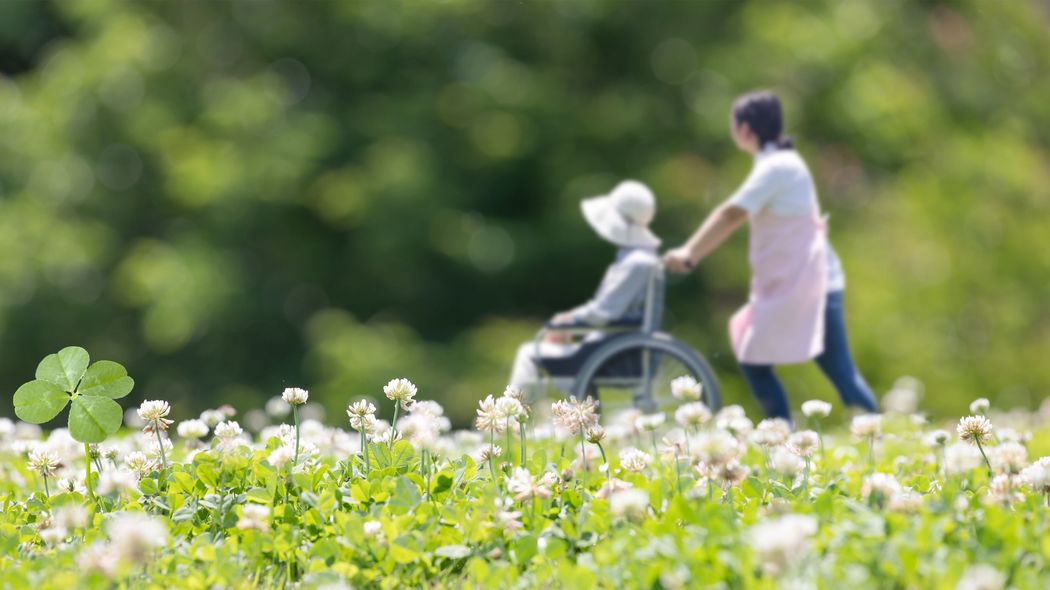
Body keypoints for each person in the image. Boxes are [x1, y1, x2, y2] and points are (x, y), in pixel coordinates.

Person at [663, 90, 878, 422]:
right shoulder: (778, 164)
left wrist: (689, 253)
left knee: (835, 372)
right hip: (800, 283)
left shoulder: (777, 168)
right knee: (762, 359)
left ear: (745, 129)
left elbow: (730, 214)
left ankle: (866, 433)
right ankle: (783, 434)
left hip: (812, 284)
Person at [509, 180, 662, 401]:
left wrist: (567, 321)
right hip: (620, 346)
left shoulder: (636, 263)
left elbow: (604, 312)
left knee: (528, 353)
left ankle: (511, 414)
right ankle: (575, 413)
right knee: (551, 350)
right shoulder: (642, 260)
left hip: (617, 352)